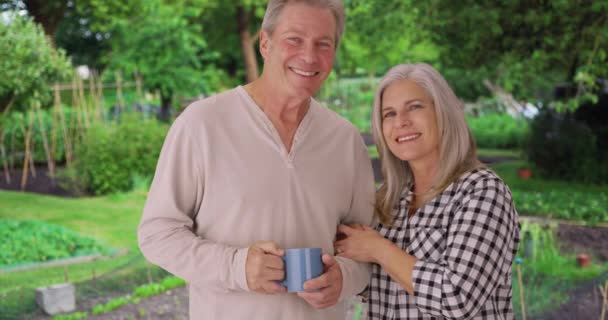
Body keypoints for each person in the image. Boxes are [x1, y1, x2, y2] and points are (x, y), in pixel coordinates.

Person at [137, 1, 375, 319]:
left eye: (323, 44)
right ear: (265, 42)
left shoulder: (345, 141)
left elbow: (366, 249)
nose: (309, 56)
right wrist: (237, 266)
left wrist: (344, 278)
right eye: (294, 39)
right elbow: (157, 234)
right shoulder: (202, 124)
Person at [334, 63, 521, 319]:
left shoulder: (482, 192)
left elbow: (458, 299)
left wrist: (379, 249)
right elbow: (374, 286)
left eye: (415, 107)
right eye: (389, 113)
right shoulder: (390, 202)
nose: (401, 122)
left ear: (442, 112)